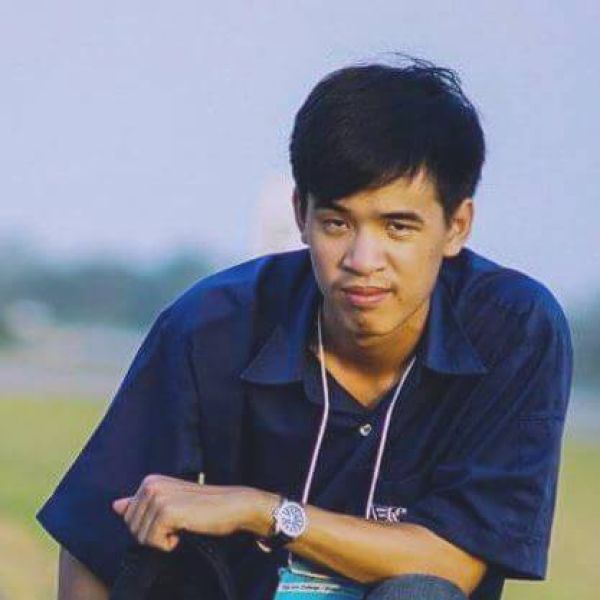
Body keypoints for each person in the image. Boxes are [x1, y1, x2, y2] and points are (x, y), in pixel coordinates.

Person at [36, 57, 573, 600]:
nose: (363, 260)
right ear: (301, 214)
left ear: (456, 226)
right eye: (337, 223)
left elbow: (454, 564)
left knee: (420, 593)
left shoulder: (515, 329)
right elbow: (96, 528)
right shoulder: (213, 323)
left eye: (397, 227)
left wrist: (261, 510)